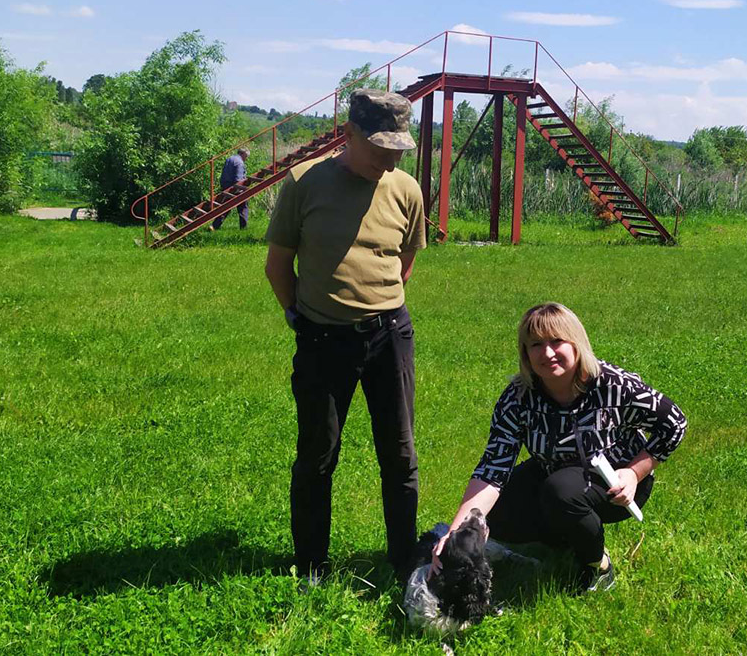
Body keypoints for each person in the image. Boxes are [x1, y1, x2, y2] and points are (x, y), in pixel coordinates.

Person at [263, 89, 424, 586]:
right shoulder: (304, 182)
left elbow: (404, 264)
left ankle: (404, 560)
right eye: (380, 149)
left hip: (389, 336)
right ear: (349, 134)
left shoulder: (406, 189)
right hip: (323, 340)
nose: (390, 161)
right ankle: (312, 564)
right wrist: (301, 317)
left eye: (398, 151)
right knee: (317, 454)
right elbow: (278, 265)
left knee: (400, 454)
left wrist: (376, 305)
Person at [433, 302, 687, 592]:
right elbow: (493, 468)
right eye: (536, 344)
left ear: (577, 342)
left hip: (617, 482)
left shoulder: (614, 385)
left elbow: (675, 423)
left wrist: (634, 472)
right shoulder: (518, 397)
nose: (547, 353)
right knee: (493, 517)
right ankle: (569, 538)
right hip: (553, 470)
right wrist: (457, 533)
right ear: (525, 353)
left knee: (561, 492)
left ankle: (598, 565)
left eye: (557, 341)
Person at [213, 148, 250, 230]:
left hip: (225, 186)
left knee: (225, 207)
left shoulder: (229, 159)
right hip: (234, 188)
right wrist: (244, 189)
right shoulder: (239, 162)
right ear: (242, 154)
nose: (246, 158)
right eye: (246, 156)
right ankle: (243, 228)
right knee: (243, 206)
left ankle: (214, 226)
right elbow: (238, 180)